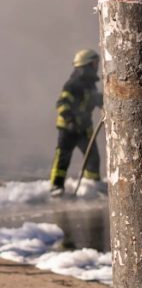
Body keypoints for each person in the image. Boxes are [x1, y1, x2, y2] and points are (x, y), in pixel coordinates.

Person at [49, 49, 102, 197]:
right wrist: (70, 120)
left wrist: (105, 102)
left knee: (92, 156)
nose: (97, 65)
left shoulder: (90, 84)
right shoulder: (73, 84)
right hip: (68, 128)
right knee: (63, 157)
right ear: (86, 65)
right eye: (94, 63)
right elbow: (62, 103)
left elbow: (92, 99)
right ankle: (56, 186)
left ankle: (91, 184)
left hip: (84, 128)